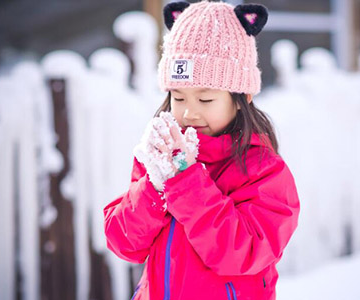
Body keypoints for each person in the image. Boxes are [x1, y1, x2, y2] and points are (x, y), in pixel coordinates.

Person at [103, 1, 300, 299]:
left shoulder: (263, 170)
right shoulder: (160, 155)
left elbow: (243, 252)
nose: (189, 114)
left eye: (205, 100)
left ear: (242, 96)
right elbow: (124, 242)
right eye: (178, 98)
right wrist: (153, 187)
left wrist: (187, 181)